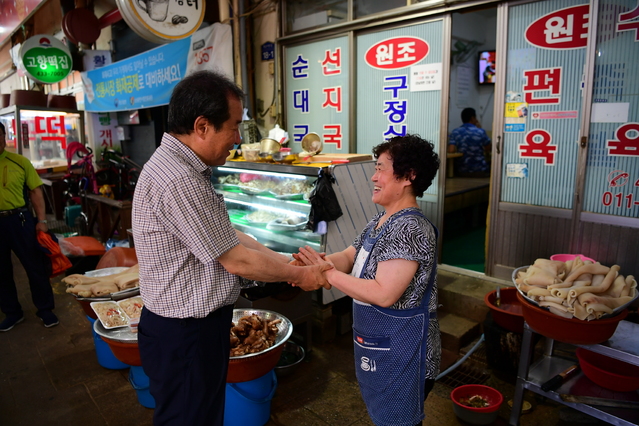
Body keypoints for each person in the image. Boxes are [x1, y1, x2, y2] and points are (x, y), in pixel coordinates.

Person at [131, 70, 331, 426]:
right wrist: (301, 275)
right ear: (202, 125)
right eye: (234, 126)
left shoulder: (180, 167)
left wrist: (285, 260)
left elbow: (229, 234)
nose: (238, 139)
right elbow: (237, 261)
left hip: (184, 331)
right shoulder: (180, 180)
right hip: (185, 335)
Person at [294, 134, 441, 426]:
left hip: (405, 354)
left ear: (408, 176)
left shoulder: (410, 228)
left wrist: (327, 275)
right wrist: (311, 265)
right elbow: (350, 255)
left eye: (381, 168)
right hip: (381, 344)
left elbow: (385, 293)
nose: (373, 177)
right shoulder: (381, 220)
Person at [0, 122, 59, 331]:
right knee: (2, 272)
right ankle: (12, 313)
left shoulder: (20, 162)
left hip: (20, 220)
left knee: (35, 267)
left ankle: (45, 309)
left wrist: (42, 221)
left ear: (4, 137)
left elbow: (35, 192)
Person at [447, 108, 491, 177]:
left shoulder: (455, 132)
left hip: (461, 171)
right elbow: (488, 148)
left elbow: (451, 150)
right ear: (472, 118)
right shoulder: (480, 131)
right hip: (480, 171)